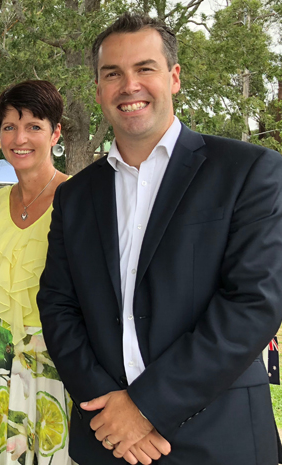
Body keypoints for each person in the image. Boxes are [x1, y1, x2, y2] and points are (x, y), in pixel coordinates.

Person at [37, 12, 282, 465]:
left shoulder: (249, 172)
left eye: (144, 68)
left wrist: (145, 408)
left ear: (174, 78)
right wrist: (109, 408)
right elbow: (57, 305)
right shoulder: (74, 195)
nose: (129, 85)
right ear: (97, 90)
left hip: (217, 438)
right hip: (104, 436)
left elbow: (253, 303)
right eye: (113, 74)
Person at [0, 80, 72, 465]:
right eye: (9, 127)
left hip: (57, 361)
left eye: (34, 126)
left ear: (55, 132)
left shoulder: (76, 197)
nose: (20, 138)